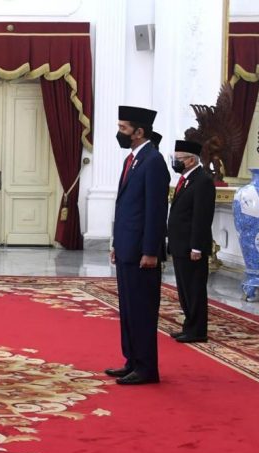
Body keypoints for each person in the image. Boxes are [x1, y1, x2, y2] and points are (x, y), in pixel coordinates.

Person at [106, 105, 170, 385]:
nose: (119, 133)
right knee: (129, 308)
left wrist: (150, 251)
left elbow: (155, 210)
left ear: (139, 131)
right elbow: (125, 206)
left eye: (123, 128)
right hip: (127, 247)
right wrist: (117, 243)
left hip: (143, 252)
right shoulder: (132, 160)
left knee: (142, 310)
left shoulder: (153, 161)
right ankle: (131, 361)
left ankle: (146, 368)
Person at [167, 140, 215, 343]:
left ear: (191, 160)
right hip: (180, 245)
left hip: (191, 247)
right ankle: (189, 326)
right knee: (184, 289)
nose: (175, 162)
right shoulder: (186, 180)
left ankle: (197, 331)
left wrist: (196, 247)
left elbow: (201, 218)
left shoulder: (202, 181)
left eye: (178, 159)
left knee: (194, 289)